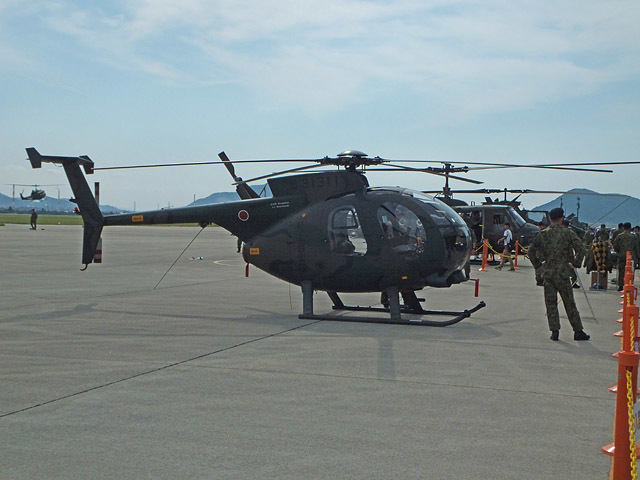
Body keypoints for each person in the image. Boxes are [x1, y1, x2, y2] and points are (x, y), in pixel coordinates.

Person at [528, 207, 589, 341]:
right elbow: (581, 249)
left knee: (551, 304)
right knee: (569, 303)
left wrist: (538, 265)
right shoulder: (568, 233)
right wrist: (576, 263)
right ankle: (578, 331)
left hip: (548, 273)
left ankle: (554, 331)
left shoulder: (543, 234)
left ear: (550, 218)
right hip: (562, 274)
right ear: (562, 218)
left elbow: (530, 251)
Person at [612, 222, 640, 291]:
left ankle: (620, 285)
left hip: (622, 255)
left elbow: (615, 246)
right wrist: (638, 256)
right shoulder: (634, 237)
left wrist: (618, 251)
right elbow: (637, 247)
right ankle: (629, 285)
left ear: (623, 228)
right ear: (630, 228)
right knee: (631, 272)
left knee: (621, 270)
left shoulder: (620, 236)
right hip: (631, 256)